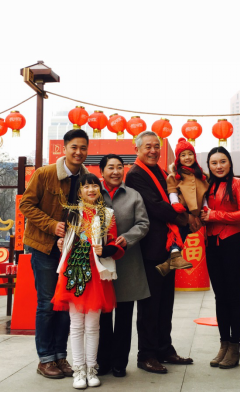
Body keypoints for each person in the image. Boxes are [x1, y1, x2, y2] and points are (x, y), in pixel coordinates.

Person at [19, 129, 90, 380]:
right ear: (65, 148)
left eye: (83, 148)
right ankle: (46, 359)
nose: (78, 152)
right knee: (47, 304)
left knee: (65, 304)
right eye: (74, 147)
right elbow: (26, 205)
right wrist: (52, 225)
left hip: (71, 250)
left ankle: (60, 355)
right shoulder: (45, 173)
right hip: (44, 248)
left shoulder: (87, 179)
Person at [126, 131, 195, 375]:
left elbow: (176, 195)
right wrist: (184, 218)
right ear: (137, 149)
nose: (153, 150)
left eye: (156, 146)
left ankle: (165, 348)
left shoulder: (163, 173)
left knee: (166, 303)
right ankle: (146, 354)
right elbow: (154, 206)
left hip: (167, 246)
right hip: (150, 249)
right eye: (148, 146)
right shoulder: (135, 174)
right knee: (150, 304)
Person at [53, 173, 125, 390]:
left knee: (93, 325)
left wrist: (107, 249)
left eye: (94, 186)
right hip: (74, 272)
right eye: (86, 187)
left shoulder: (107, 214)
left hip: (97, 273)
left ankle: (92, 368)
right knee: (76, 325)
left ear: (99, 190)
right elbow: (65, 241)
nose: (91, 190)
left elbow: (113, 242)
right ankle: (79, 371)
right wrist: (60, 243)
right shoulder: (71, 213)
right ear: (79, 192)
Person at [97, 154, 150, 378]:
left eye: (120, 167)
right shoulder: (93, 193)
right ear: (102, 172)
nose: (116, 172)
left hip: (127, 262)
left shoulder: (133, 195)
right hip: (100, 263)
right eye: (111, 167)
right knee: (102, 315)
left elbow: (143, 223)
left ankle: (119, 362)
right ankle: (102, 361)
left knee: (124, 316)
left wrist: (127, 238)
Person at [200, 147, 240, 369]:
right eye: (214, 163)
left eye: (223, 161)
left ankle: (235, 347)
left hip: (232, 243)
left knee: (233, 296)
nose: (218, 166)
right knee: (219, 296)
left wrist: (214, 215)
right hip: (212, 245)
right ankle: (223, 345)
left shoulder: (238, 183)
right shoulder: (206, 186)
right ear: (209, 166)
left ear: (229, 163)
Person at [156, 138, 210, 276]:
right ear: (178, 158)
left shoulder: (201, 176)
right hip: (182, 210)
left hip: (196, 213)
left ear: (194, 156)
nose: (187, 157)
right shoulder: (175, 176)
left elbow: (204, 195)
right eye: (183, 155)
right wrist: (175, 204)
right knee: (178, 232)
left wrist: (205, 208)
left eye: (190, 154)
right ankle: (174, 254)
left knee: (184, 233)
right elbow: (172, 192)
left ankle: (167, 264)